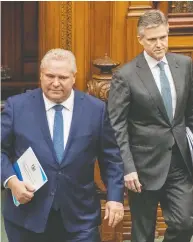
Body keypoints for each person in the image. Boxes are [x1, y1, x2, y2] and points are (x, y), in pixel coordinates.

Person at [1, 48, 125, 242]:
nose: (55, 83)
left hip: (80, 218)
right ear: (41, 75)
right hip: (27, 218)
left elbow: (111, 158)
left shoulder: (96, 110)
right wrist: (11, 181)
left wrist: (115, 198)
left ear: (74, 78)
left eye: (63, 77)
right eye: (50, 76)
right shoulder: (17, 106)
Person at [108, 9, 193, 242]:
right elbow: (117, 125)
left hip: (179, 162)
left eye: (163, 37)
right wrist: (127, 167)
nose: (159, 44)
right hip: (143, 167)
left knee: (185, 222)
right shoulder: (125, 75)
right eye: (152, 39)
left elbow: (190, 113)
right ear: (140, 40)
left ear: (168, 33)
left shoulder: (185, 65)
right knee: (143, 232)